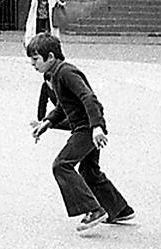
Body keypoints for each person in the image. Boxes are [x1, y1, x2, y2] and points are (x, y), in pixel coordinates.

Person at [28, 33, 134, 232]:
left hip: (87, 129)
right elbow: (63, 106)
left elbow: (88, 98)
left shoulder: (66, 73)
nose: (32, 64)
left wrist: (96, 127)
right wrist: (47, 122)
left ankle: (94, 210)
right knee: (89, 171)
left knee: (61, 165)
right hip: (86, 128)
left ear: (50, 57)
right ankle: (120, 210)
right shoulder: (56, 74)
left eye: (35, 59)